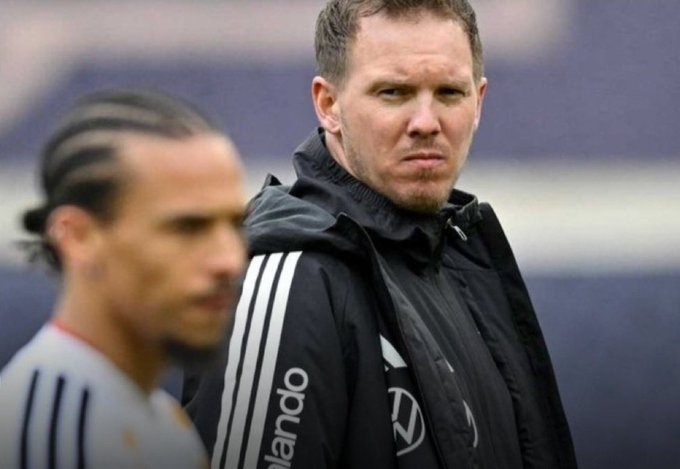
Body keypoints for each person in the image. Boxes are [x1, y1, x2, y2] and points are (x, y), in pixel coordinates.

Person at [183, 0, 578, 468]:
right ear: (328, 105)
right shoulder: (290, 280)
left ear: (479, 101)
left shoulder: (456, 262)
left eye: (449, 93)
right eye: (393, 92)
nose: (426, 123)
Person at [0, 88, 248, 468]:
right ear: (78, 238)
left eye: (235, 225)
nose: (229, 260)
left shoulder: (160, 419)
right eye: (187, 228)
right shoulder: (52, 436)